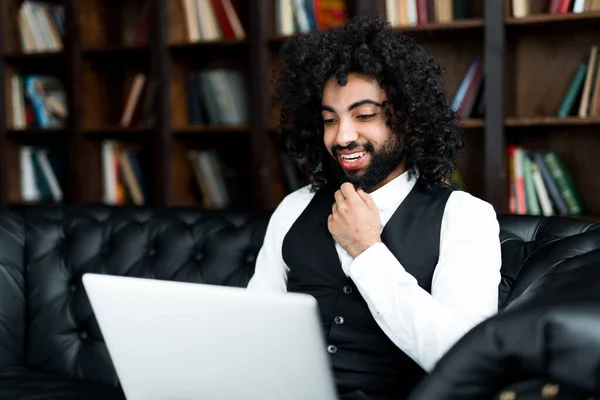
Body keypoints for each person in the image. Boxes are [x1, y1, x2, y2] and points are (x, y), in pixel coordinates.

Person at [247, 13, 502, 400]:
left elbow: (466, 360)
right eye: (330, 120)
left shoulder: (465, 217)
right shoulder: (293, 209)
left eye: (364, 115)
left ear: (407, 119)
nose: (343, 136)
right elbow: (250, 331)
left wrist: (367, 251)